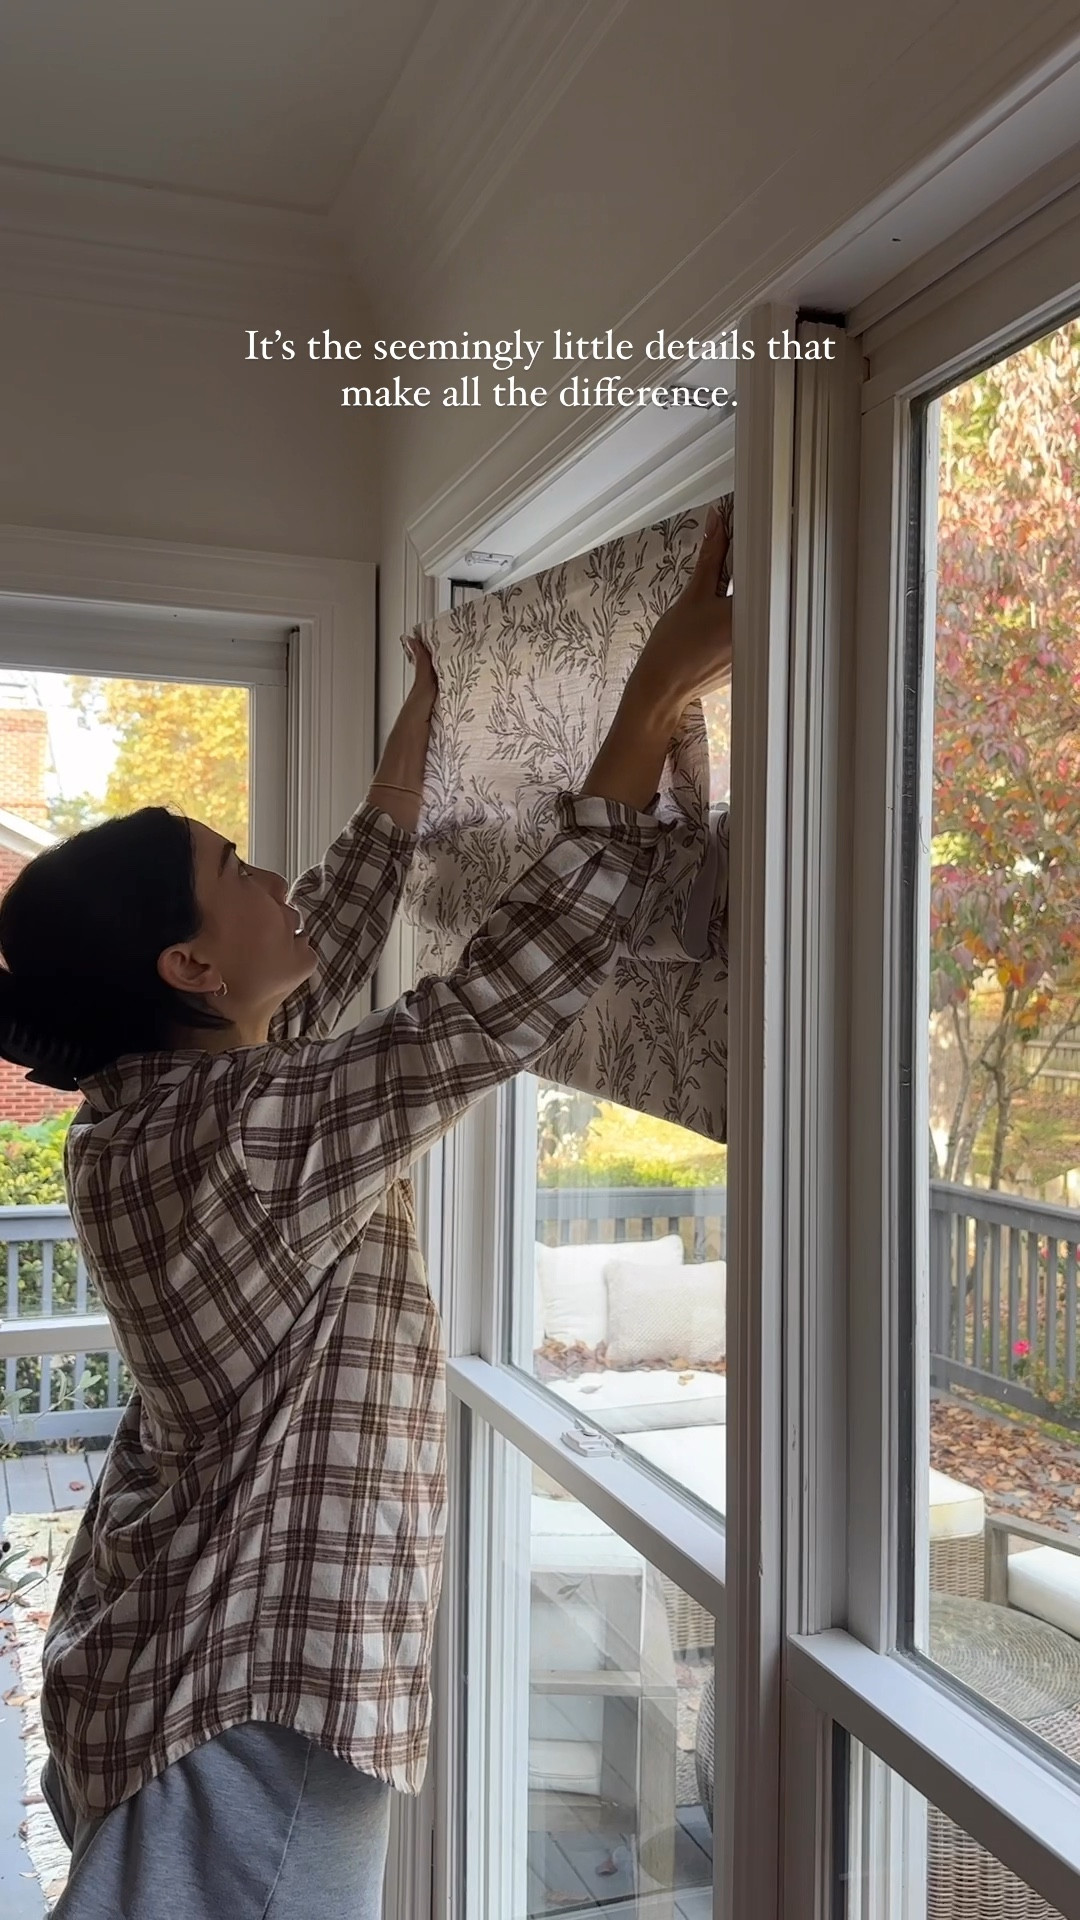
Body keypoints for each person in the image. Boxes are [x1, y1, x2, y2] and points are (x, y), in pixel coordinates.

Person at [0, 510, 733, 1920]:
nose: (272, 877)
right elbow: (489, 1004)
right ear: (189, 965)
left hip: (176, 1655)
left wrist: (418, 747)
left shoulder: (153, 1104)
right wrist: (651, 692)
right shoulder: (241, 1137)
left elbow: (322, 936)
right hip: (247, 1710)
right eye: (236, 868)